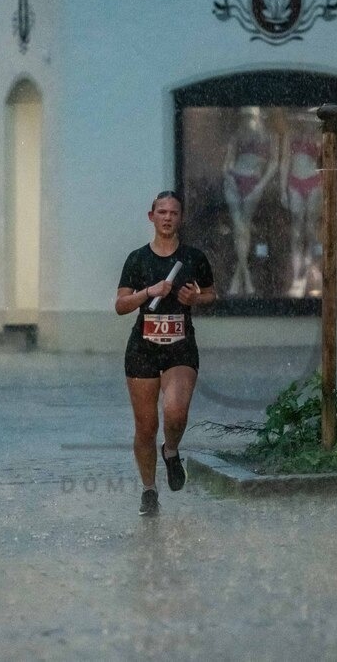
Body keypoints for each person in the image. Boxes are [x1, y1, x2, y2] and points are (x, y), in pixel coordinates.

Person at [115, 191, 216, 516]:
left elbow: (212, 294)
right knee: (145, 426)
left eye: (174, 212)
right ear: (152, 217)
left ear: (180, 218)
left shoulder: (193, 258)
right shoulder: (137, 259)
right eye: (162, 212)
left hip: (180, 348)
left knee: (175, 413)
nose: (168, 217)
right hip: (142, 349)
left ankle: (170, 451)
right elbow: (120, 306)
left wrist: (194, 300)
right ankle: (149, 490)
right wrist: (149, 292)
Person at [221, 106, 278, 296]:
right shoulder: (237, 137)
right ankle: (246, 278)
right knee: (240, 228)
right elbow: (227, 165)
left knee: (243, 228)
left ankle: (239, 278)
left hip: (254, 182)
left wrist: (260, 186)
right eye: (244, 117)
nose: (248, 121)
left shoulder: (270, 138)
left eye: (251, 117)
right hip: (234, 180)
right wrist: (229, 178)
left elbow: (273, 164)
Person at [280, 112, 324, 297]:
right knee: (297, 228)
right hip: (295, 182)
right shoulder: (291, 137)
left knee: (310, 227)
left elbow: (326, 162)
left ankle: (308, 270)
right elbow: (285, 162)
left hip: (313, 181)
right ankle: (298, 275)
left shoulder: (319, 137)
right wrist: (282, 189)